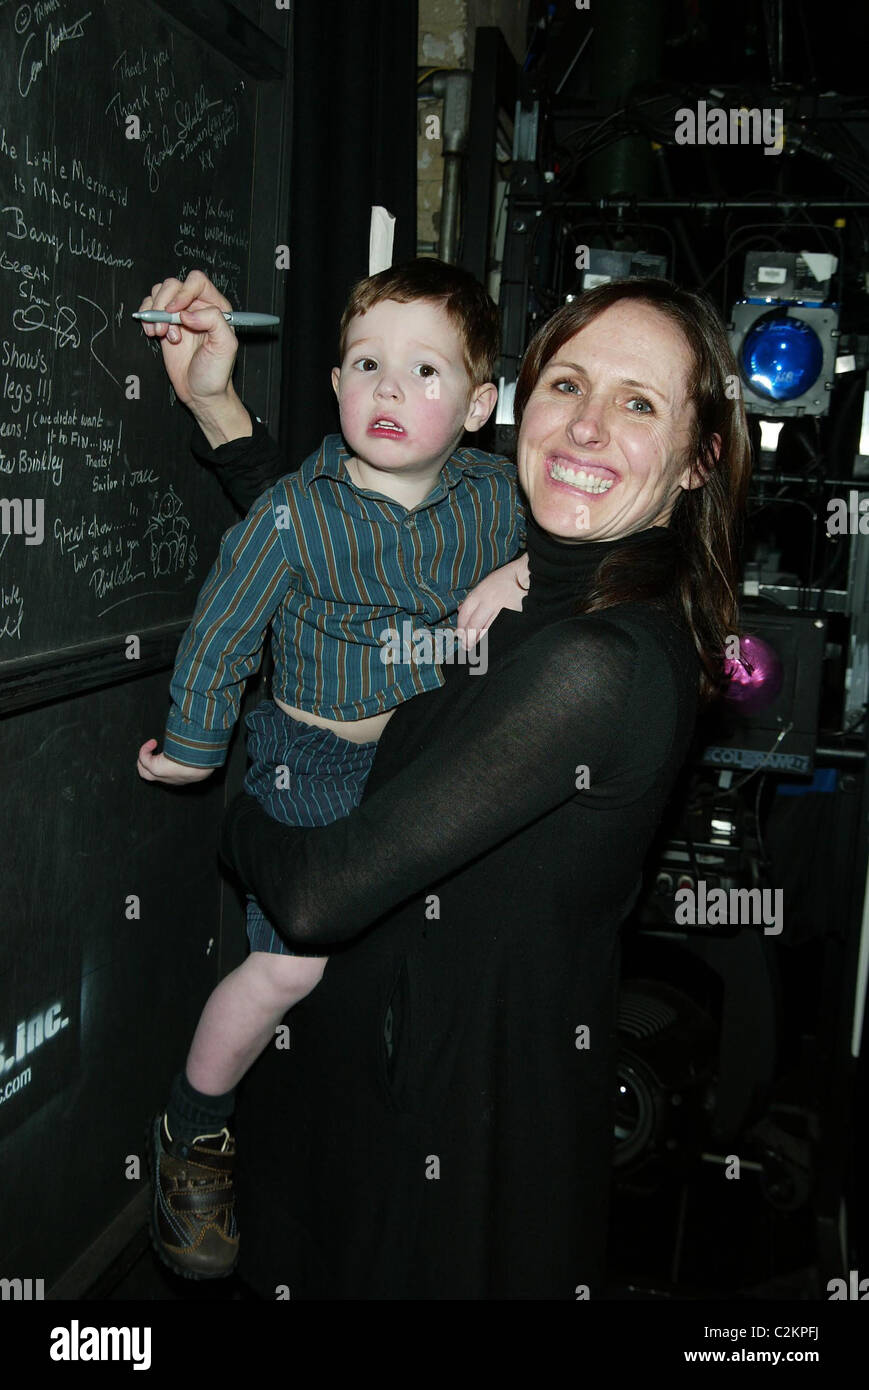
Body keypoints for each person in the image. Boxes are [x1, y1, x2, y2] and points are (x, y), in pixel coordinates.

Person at [188, 274, 751, 1299]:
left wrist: (231, 813)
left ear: (694, 461)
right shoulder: (519, 576)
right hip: (366, 1106)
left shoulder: (598, 661)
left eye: (636, 403)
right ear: (518, 407)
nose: (585, 425)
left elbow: (315, 894)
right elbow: (342, 541)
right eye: (566, 383)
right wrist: (215, 408)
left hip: (446, 1148)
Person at [134, 261, 529, 1279]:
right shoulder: (290, 514)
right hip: (305, 760)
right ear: (332, 380)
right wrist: (191, 747)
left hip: (422, 761)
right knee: (292, 962)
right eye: (366, 364)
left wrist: (520, 567)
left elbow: (571, 552)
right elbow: (221, 639)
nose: (389, 390)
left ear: (481, 404)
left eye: (425, 370)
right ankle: (194, 1128)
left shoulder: (495, 498)